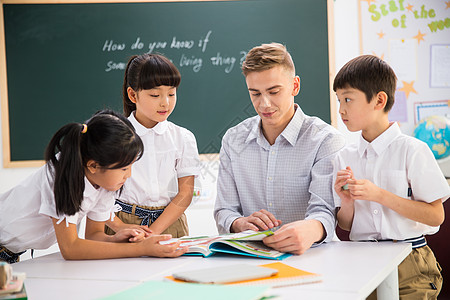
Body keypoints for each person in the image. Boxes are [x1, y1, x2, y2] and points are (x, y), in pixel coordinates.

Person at [0, 110, 187, 264]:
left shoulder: (103, 182)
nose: (128, 175)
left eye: (131, 167)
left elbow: (94, 235)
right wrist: (139, 249)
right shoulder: (61, 176)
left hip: (11, 252)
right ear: (93, 165)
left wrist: (116, 238)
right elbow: (71, 248)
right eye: (123, 168)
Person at [333, 55, 449, 299]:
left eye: (348, 99)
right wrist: (347, 202)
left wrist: (380, 195)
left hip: (410, 263)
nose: (341, 109)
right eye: (338, 100)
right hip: (360, 263)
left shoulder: (413, 150)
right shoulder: (344, 157)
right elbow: (345, 224)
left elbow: (436, 215)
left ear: (379, 100)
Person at [214, 42, 346, 255]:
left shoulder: (325, 140)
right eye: (255, 93)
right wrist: (239, 224)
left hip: (310, 258)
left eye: (274, 91)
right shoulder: (233, 140)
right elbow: (224, 210)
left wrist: (309, 230)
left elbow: (325, 212)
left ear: (295, 86)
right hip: (249, 258)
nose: (264, 104)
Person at [105, 53, 200, 238]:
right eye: (155, 95)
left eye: (171, 94)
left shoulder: (183, 137)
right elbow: (97, 194)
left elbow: (185, 194)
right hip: (120, 223)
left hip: (169, 223)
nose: (165, 102)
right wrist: (120, 227)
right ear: (133, 95)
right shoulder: (113, 134)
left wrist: (151, 233)